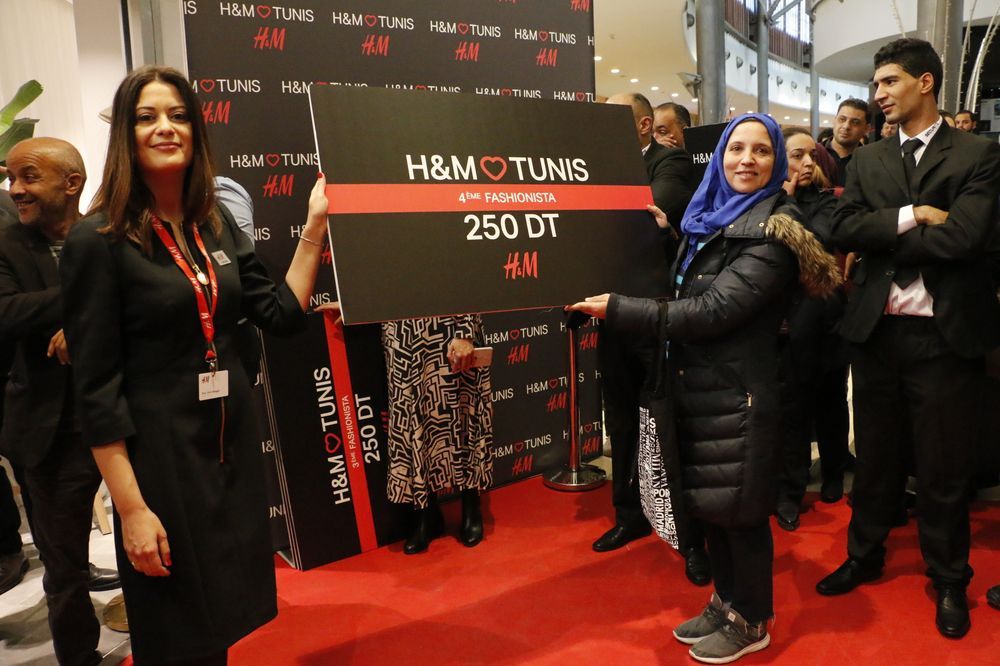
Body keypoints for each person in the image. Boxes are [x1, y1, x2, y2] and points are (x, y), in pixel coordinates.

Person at [59, 65, 328, 665]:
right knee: (175, 629)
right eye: (147, 117)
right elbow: (96, 392)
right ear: (125, 135)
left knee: (218, 622)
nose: (166, 127)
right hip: (159, 461)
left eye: (179, 115)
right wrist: (132, 509)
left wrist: (314, 227)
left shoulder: (214, 222)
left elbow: (280, 314)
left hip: (226, 448)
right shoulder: (96, 241)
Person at [569, 113, 840, 663]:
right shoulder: (708, 217)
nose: (747, 160)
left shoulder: (775, 230)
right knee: (713, 508)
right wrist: (664, 237)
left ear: (777, 162)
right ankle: (725, 602)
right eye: (736, 148)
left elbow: (714, 309)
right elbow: (694, 282)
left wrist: (618, 309)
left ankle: (752, 619)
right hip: (699, 388)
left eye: (761, 151)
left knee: (741, 514)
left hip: (739, 396)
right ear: (719, 156)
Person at [816, 38, 1000, 640]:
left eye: (889, 82)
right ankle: (864, 555)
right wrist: (914, 215)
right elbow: (842, 228)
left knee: (944, 469)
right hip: (876, 333)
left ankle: (949, 577)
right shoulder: (868, 159)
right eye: (875, 85)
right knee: (875, 458)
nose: (879, 95)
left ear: (926, 83)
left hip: (945, 338)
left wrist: (883, 234)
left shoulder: (978, 153)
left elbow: (967, 239)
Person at [0, 137, 127, 665]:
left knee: (152, 541)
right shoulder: (4, 243)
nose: (15, 189)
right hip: (51, 435)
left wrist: (83, 322)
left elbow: (148, 302)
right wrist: (90, 301)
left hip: (125, 416)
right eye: (11, 177)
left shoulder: (111, 234)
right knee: (65, 568)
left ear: (71, 183)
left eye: (28, 176)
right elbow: (6, 313)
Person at [594, 93, 706, 585]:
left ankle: (688, 533)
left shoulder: (670, 161)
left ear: (643, 126)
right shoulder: (595, 166)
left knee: (666, 425)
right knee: (620, 421)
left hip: (657, 319)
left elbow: (642, 216)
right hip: (612, 314)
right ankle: (629, 513)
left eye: (613, 113)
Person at [773, 128, 850, 531]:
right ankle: (791, 488)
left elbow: (818, 240)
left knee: (831, 400)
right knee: (792, 409)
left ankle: (834, 471)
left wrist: (787, 202)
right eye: (796, 155)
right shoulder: (764, 200)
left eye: (811, 156)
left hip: (825, 318)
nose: (806, 163)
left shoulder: (827, 201)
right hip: (783, 324)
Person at [382, 315, 494, 554]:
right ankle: (427, 513)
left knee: (463, 412)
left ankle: (471, 504)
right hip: (402, 327)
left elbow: (474, 287)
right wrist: (351, 305)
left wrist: (465, 332)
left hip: (449, 320)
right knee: (413, 414)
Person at [823, 99, 871, 186]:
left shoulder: (871, 161)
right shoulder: (814, 154)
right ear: (834, 120)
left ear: (866, 128)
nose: (846, 126)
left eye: (855, 122)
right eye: (842, 119)